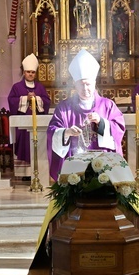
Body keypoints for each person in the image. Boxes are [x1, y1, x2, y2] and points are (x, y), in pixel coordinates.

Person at [47, 49, 126, 181]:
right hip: (74, 165)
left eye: (88, 84)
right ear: (75, 85)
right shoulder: (64, 108)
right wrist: (66, 132)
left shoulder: (107, 105)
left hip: (103, 164)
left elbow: (119, 128)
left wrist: (101, 122)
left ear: (94, 83)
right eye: (81, 84)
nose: (85, 89)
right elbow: (52, 131)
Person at [8, 54, 51, 180]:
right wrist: (26, 98)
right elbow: (11, 101)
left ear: (35, 73)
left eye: (33, 72)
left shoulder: (40, 87)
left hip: (37, 123)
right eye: (28, 72)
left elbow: (47, 101)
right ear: (24, 72)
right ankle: (25, 174)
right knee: (24, 144)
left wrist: (36, 99)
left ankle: (38, 171)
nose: (30, 74)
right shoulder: (17, 87)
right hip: (23, 124)